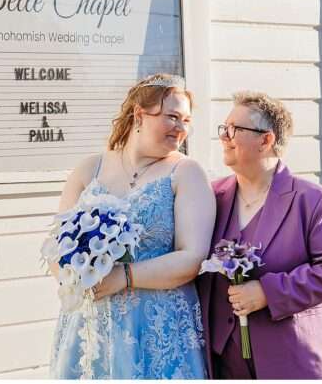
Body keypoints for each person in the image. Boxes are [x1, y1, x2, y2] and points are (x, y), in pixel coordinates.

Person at [48, 73, 216, 379]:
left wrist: (124, 277)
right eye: (172, 117)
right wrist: (75, 279)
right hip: (90, 327)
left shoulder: (186, 172)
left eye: (187, 120)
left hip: (156, 325)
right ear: (140, 114)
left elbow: (192, 256)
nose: (182, 128)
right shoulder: (90, 168)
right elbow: (57, 245)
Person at [197, 91, 322, 379]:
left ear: (265, 140)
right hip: (224, 365)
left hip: (293, 361)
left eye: (234, 129)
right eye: (224, 128)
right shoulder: (211, 197)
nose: (224, 136)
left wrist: (269, 292)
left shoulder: (314, 201)